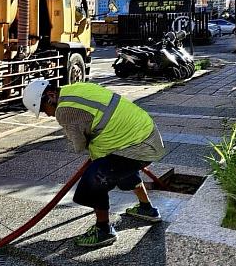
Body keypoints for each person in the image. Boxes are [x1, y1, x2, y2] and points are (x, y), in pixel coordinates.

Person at [22, 79, 166, 248]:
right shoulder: (75, 88)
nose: (47, 114)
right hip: (145, 136)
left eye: (42, 109)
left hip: (138, 146)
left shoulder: (63, 110)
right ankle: (146, 209)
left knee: (95, 179)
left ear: (50, 96)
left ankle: (103, 230)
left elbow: (79, 144)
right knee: (119, 169)